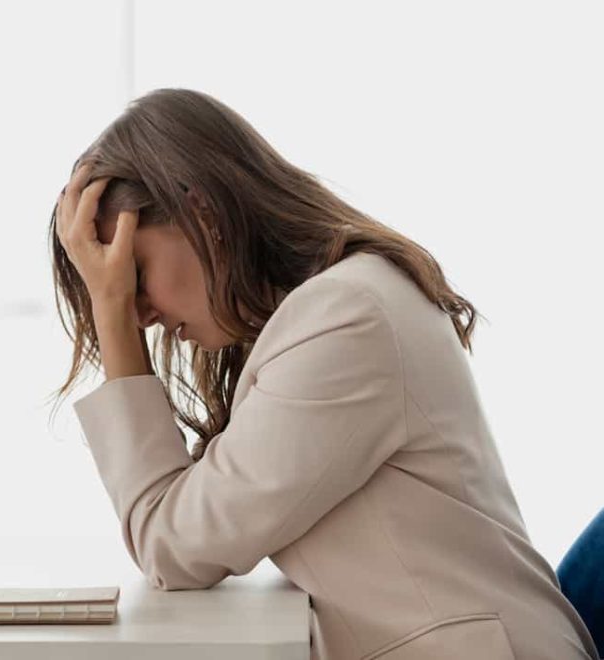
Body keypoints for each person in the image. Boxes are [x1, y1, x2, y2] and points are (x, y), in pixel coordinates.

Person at [47, 88, 598, 660]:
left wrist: (112, 323)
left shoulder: (345, 319)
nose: (140, 315)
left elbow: (172, 545)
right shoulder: (326, 312)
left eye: (132, 274)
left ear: (202, 214)